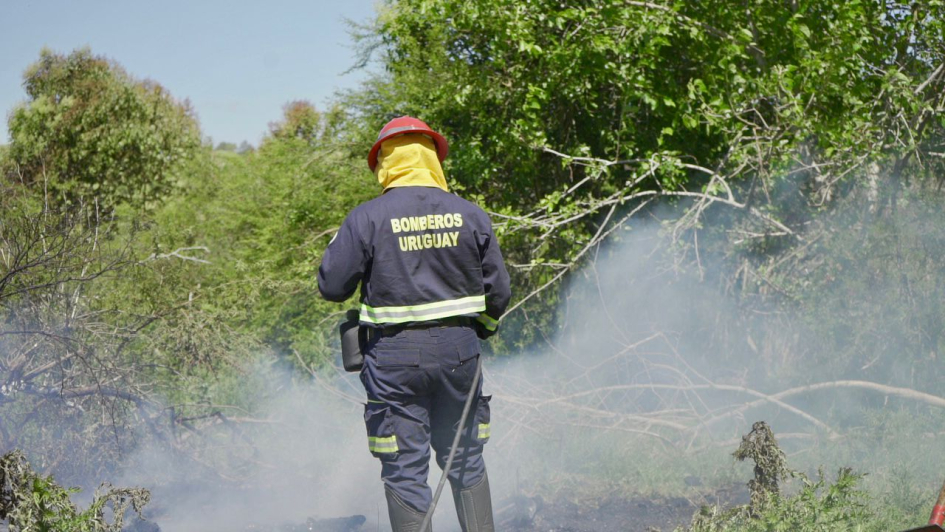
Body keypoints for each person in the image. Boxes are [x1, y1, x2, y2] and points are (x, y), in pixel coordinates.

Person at [317, 116, 511, 532]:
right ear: (434, 158)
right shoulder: (470, 215)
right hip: (460, 352)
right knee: (466, 458)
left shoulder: (366, 218)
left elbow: (332, 286)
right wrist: (483, 329)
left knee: (405, 468)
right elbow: (499, 293)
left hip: (394, 359)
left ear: (385, 162)